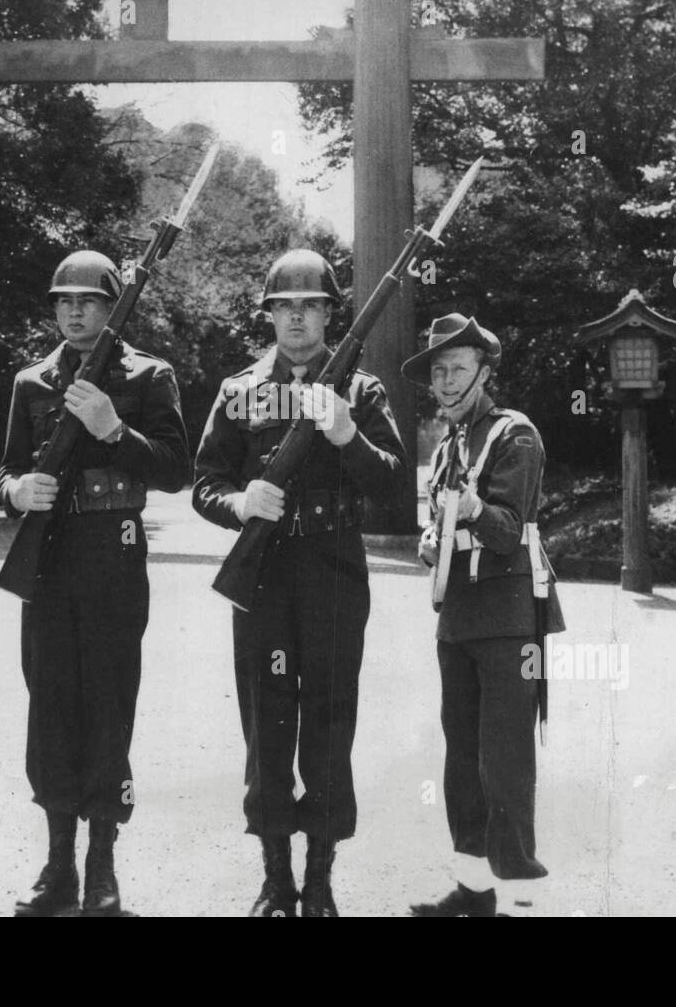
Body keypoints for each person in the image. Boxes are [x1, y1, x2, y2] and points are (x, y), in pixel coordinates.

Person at [192, 249, 407, 917]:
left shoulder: (362, 391)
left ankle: (320, 878)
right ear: (269, 315)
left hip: (333, 571)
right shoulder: (239, 390)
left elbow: (394, 482)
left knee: (329, 719)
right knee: (267, 720)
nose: (296, 317)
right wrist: (239, 503)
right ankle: (275, 878)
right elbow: (204, 482)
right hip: (263, 575)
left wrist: (346, 434)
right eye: (284, 306)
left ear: (327, 314)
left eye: (309, 305)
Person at [0, 250, 189, 917]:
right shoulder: (32, 381)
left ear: (113, 305)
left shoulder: (147, 374)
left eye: (87, 300)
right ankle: (58, 865)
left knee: (108, 699)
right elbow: (6, 475)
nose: (73, 310)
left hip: (114, 548)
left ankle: (101, 860)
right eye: (62, 300)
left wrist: (115, 428)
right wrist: (18, 489)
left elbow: (175, 470)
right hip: (48, 552)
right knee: (49, 700)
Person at [402, 313, 566, 917]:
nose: (446, 381)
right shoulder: (448, 442)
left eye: (458, 369)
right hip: (460, 617)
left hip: (509, 617)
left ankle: (523, 894)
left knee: (505, 761)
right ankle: (473, 890)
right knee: (461, 760)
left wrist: (469, 507)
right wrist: (430, 540)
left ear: (484, 371)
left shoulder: (514, 434)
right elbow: (440, 529)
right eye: (438, 371)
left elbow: (505, 532)